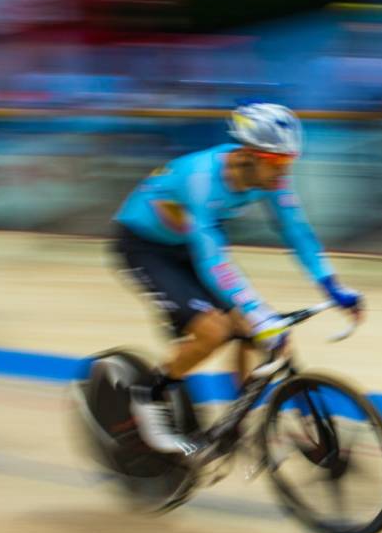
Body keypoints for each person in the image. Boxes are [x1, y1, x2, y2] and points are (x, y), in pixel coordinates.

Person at [109, 103, 363, 460]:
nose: (282, 173)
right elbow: (213, 258)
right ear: (247, 155)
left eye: (288, 163)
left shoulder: (270, 176)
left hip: (185, 246)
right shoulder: (202, 179)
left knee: (257, 333)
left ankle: (236, 424)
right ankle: (149, 394)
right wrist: (257, 311)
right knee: (215, 331)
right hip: (144, 248)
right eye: (275, 164)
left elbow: (296, 230)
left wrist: (331, 284)